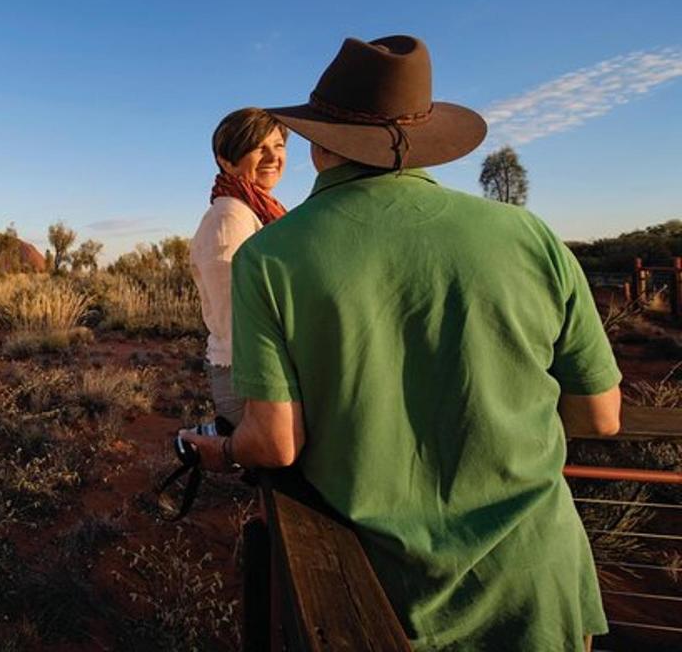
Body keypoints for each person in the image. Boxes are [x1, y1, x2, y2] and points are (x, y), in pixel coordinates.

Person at [184, 36, 621, 651]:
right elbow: (599, 416)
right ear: (423, 138)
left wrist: (221, 453)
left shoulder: (273, 256)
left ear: (318, 141)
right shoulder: (530, 236)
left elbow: (276, 443)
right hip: (537, 589)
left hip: (377, 599)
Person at [189, 107, 287, 428]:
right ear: (227, 160)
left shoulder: (256, 209)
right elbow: (234, 312)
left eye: (279, 145)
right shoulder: (230, 216)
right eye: (259, 147)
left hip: (259, 366)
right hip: (248, 372)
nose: (273, 156)